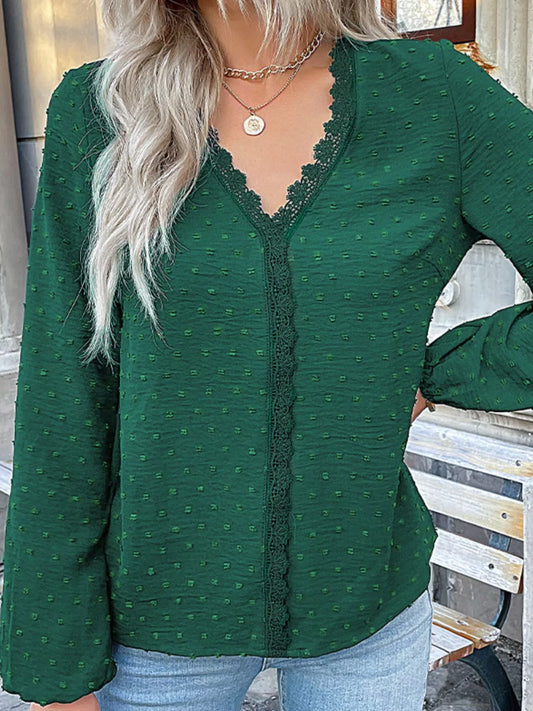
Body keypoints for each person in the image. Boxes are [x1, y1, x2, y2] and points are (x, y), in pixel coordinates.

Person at [0, 0, 531, 709]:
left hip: (364, 610)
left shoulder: (434, 98)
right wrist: (54, 667)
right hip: (154, 626)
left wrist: (437, 372)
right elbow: (62, 396)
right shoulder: (101, 109)